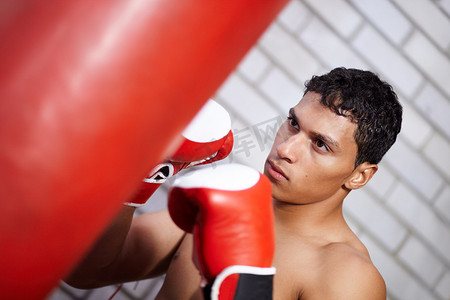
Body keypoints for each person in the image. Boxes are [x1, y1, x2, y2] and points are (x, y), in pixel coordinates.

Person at [65, 67, 402, 300]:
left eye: (320, 144)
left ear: (360, 175)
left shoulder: (347, 276)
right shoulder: (226, 201)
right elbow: (87, 271)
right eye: (293, 124)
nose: (285, 149)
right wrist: (140, 178)